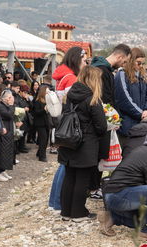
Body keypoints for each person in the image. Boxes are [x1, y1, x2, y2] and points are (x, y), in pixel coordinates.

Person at [59, 65, 107, 223]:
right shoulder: (92, 99)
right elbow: (101, 126)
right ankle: (78, 212)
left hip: (68, 141)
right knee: (82, 179)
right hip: (86, 144)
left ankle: (66, 212)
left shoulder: (68, 96)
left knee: (69, 176)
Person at [90, 43, 131, 200]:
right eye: (125, 61)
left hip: (101, 118)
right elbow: (106, 98)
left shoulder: (99, 67)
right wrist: (115, 117)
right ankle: (94, 188)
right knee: (99, 154)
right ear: (119, 56)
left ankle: (94, 186)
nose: (124, 65)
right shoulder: (103, 71)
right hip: (102, 120)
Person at [48, 46, 87, 213]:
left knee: (62, 165)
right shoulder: (71, 79)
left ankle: (53, 202)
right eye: (85, 61)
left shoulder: (61, 76)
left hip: (61, 122)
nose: (86, 64)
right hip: (70, 125)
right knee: (66, 167)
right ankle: (58, 204)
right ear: (77, 59)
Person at [114, 47, 147, 147]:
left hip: (141, 125)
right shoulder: (122, 75)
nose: (141, 66)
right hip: (126, 127)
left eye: (143, 63)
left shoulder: (143, 76)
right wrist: (141, 113)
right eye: (139, 62)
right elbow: (124, 99)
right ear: (131, 60)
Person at [0, 90, 17, 182]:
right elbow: (9, 115)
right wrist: (11, 105)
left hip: (9, 132)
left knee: (7, 152)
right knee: (2, 153)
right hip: (4, 133)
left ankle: (2, 170)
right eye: (9, 98)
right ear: (3, 99)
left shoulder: (6, 105)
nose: (11, 100)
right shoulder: (1, 106)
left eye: (12, 97)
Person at [33, 85, 49, 162]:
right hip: (40, 123)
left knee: (46, 139)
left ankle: (39, 153)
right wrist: (44, 109)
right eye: (47, 91)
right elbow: (36, 112)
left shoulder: (47, 100)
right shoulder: (38, 101)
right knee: (43, 139)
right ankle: (42, 156)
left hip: (46, 122)